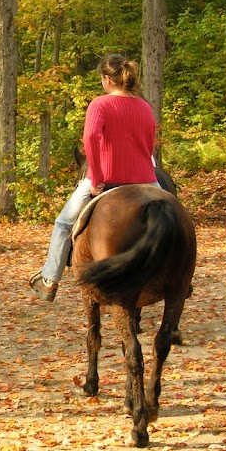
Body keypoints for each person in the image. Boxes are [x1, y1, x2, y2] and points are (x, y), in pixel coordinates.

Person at [30, 53, 160, 301]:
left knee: (64, 223)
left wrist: (98, 176)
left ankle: (50, 279)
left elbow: (90, 138)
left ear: (107, 79)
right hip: (146, 180)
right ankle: (181, 279)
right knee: (175, 216)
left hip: (110, 177)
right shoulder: (145, 106)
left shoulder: (100, 104)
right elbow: (150, 142)